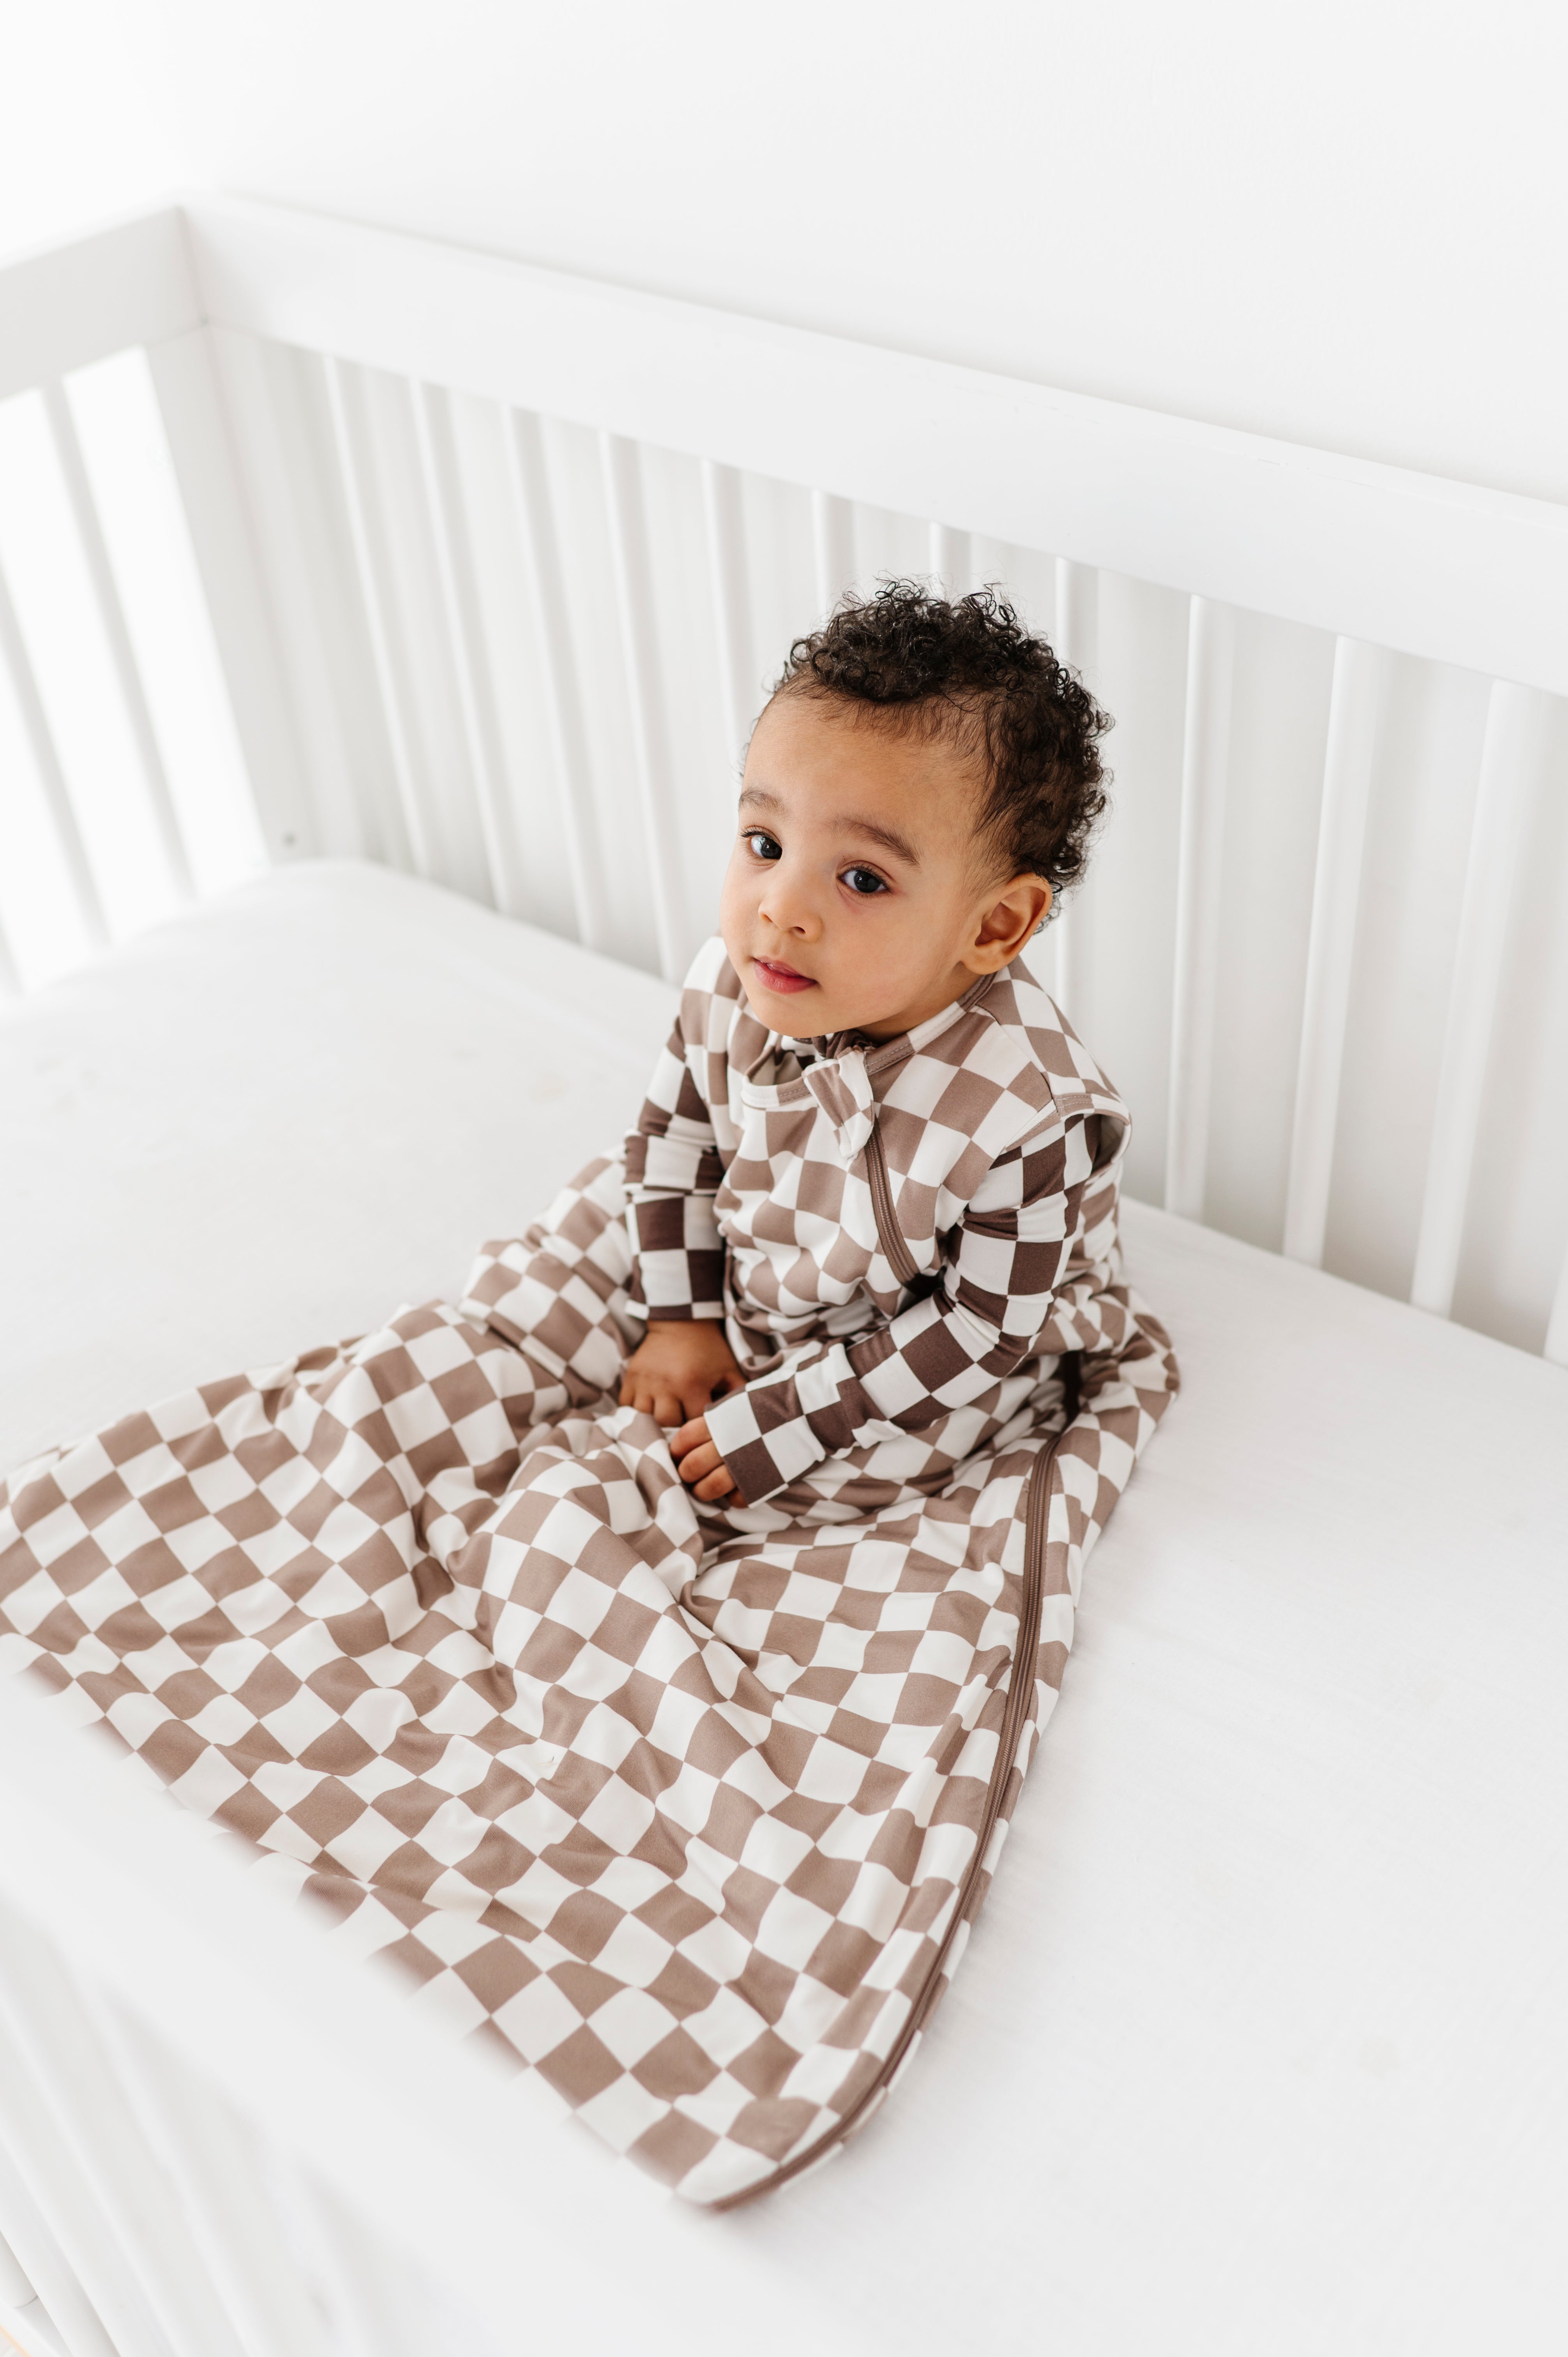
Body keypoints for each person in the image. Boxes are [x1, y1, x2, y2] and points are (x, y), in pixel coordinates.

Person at [0, 582, 1176, 2208]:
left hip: (907, 1362)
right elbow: (675, 1154)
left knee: (613, 1506)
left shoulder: (1029, 1116)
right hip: (757, 1277)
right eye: (761, 843)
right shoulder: (733, 984)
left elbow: (974, 1343)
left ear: (995, 926)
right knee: (480, 1343)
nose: (781, 911)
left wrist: (763, 1427)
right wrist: (686, 1312)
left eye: (858, 877)